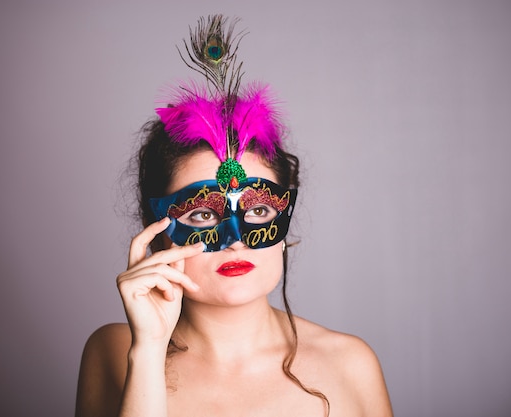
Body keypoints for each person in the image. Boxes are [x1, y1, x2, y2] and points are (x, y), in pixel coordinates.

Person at [75, 15, 392, 417]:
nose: (237, 239)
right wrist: (149, 353)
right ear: (158, 233)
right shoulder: (116, 352)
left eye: (259, 210)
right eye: (203, 215)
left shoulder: (351, 364)